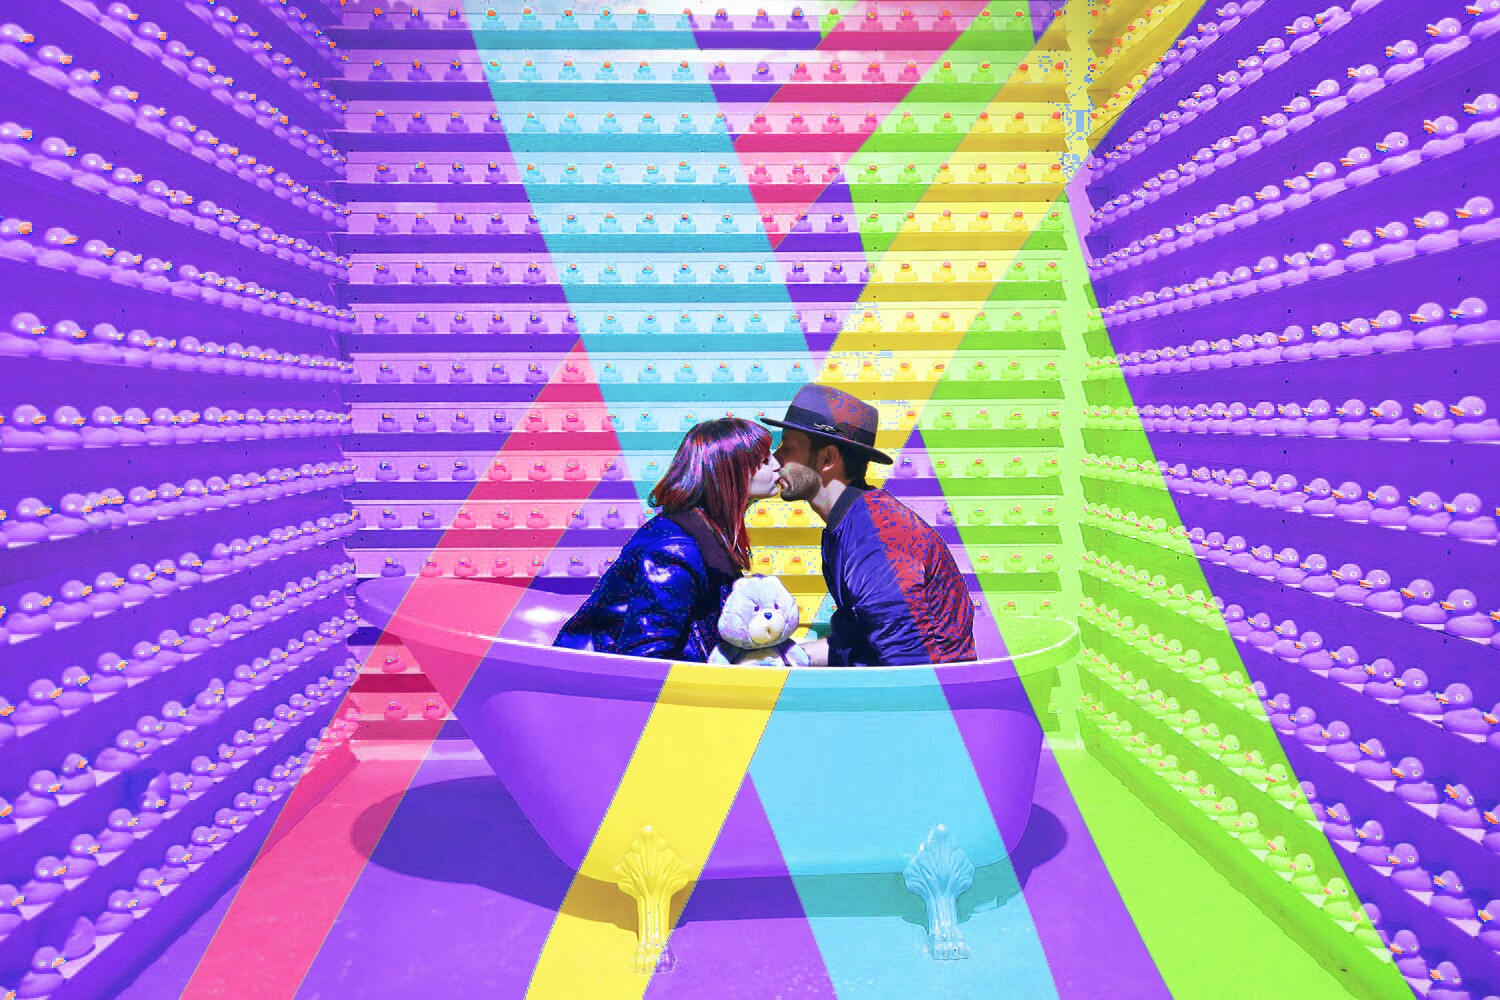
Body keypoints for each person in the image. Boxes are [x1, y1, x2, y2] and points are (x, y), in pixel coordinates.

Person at [763, 385, 976, 666]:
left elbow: (910, 664)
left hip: (930, 690)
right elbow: (858, 643)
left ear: (827, 458)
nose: (775, 460)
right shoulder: (854, 522)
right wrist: (786, 659)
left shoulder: (874, 537)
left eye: (788, 447)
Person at [553, 417, 780, 661]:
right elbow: (647, 656)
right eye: (765, 461)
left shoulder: (702, 532)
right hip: (599, 676)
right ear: (732, 474)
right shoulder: (676, 550)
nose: (778, 465)